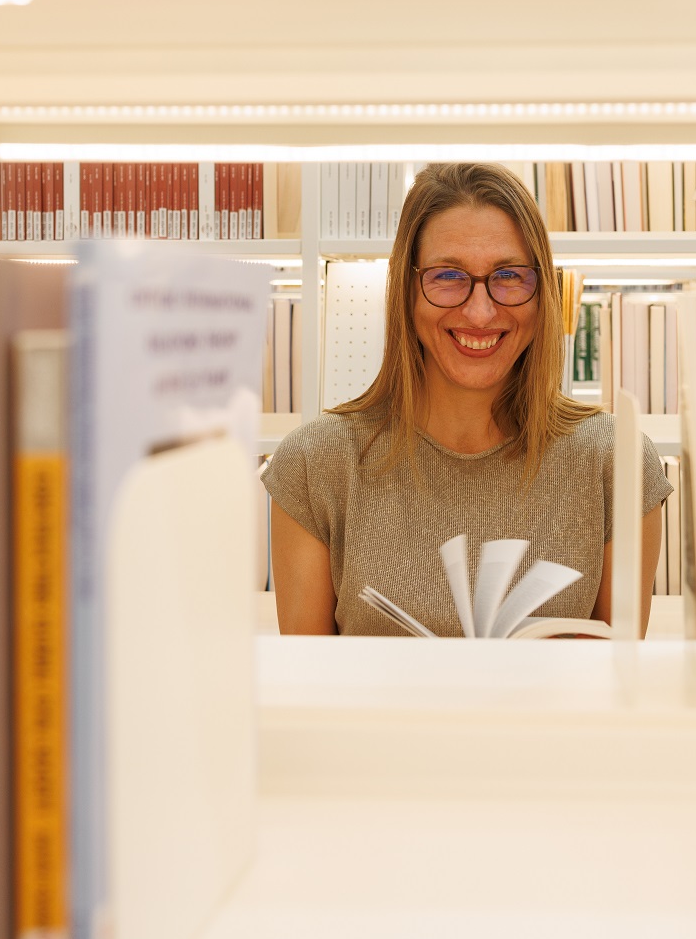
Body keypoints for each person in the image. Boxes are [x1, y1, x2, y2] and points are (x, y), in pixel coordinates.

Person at [263, 162, 672, 636]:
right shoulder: (316, 466)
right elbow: (309, 691)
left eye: (510, 276)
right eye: (448, 276)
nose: (480, 312)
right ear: (406, 291)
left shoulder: (615, 463)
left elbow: (616, 685)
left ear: (542, 293)